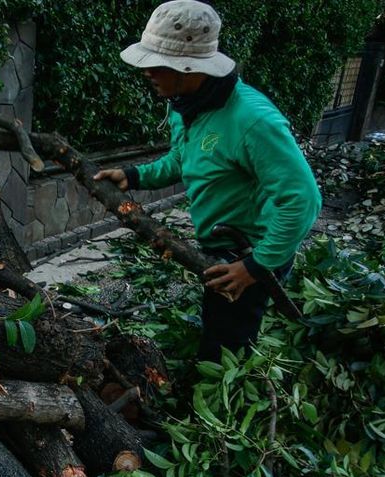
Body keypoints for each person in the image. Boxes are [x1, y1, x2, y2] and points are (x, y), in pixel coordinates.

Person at [93, 0, 321, 361]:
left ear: (187, 67)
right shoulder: (188, 104)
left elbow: (303, 200)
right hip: (219, 247)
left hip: (249, 253)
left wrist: (255, 268)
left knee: (225, 352)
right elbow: (184, 160)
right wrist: (133, 176)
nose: (147, 73)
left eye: (155, 65)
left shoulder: (253, 121)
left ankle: (214, 408)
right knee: (218, 327)